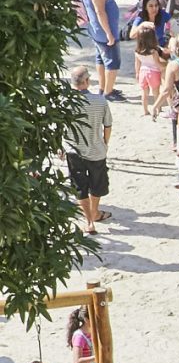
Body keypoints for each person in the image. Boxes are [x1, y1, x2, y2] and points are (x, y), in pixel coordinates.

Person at [64, 66, 114, 236]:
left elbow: (60, 127)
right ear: (86, 81)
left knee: (80, 187)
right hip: (96, 149)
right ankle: (95, 212)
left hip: (73, 150)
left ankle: (89, 221)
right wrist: (105, 143)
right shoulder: (100, 101)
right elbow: (107, 125)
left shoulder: (65, 102)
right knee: (97, 184)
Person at [79, 0, 123, 99]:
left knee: (101, 58)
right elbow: (100, 12)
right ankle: (108, 92)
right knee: (112, 62)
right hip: (103, 31)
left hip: (95, 30)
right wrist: (109, 33)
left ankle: (103, 88)